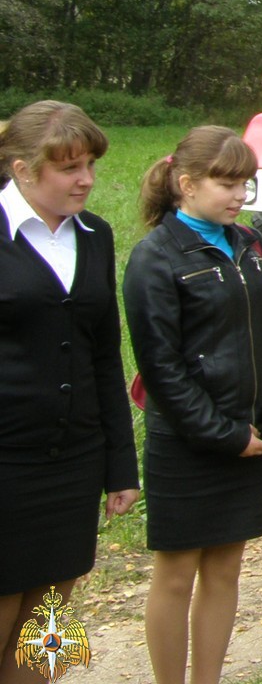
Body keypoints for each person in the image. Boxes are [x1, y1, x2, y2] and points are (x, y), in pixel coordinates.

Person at [124, 126, 262, 684]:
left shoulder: (250, 245)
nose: (238, 196)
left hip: (251, 435)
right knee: (176, 574)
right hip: (189, 443)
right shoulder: (155, 258)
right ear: (185, 184)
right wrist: (224, 434)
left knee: (226, 569)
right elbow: (162, 368)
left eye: (245, 185)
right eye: (226, 184)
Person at [0, 102, 139, 669]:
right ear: (22, 170)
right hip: (7, 465)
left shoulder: (97, 236)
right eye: (70, 168)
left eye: (90, 165)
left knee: (46, 634)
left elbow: (105, 355)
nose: (86, 179)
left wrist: (119, 466)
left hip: (75, 462)